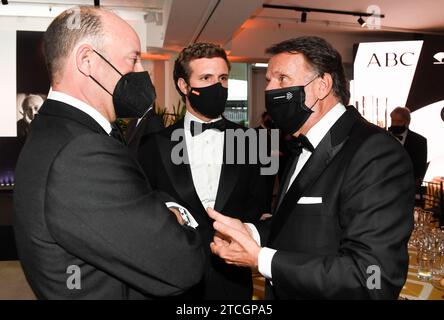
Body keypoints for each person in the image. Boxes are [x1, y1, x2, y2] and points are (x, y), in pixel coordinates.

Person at [13, 6, 205, 300]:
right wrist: (174, 214)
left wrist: (158, 210)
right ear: (87, 61)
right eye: (134, 59)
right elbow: (182, 263)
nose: (142, 72)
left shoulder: (57, 130)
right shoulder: (82, 153)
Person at [207, 36, 415, 299]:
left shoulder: (375, 153)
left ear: (322, 85)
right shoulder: (302, 144)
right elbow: (297, 227)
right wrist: (250, 232)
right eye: (269, 80)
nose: (270, 90)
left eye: (282, 79)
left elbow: (372, 276)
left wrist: (263, 260)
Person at [137, 42, 268, 299]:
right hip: (174, 275)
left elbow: (260, 208)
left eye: (222, 78)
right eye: (205, 78)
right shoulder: (153, 145)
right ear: (184, 86)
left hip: (233, 276)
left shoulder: (254, 141)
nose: (217, 86)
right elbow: (146, 207)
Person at [389, 107, 428, 187]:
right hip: (386, 185)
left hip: (408, 186)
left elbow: (420, 167)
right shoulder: (383, 137)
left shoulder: (419, 141)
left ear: (407, 122)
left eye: (399, 122)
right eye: (393, 121)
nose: (395, 124)